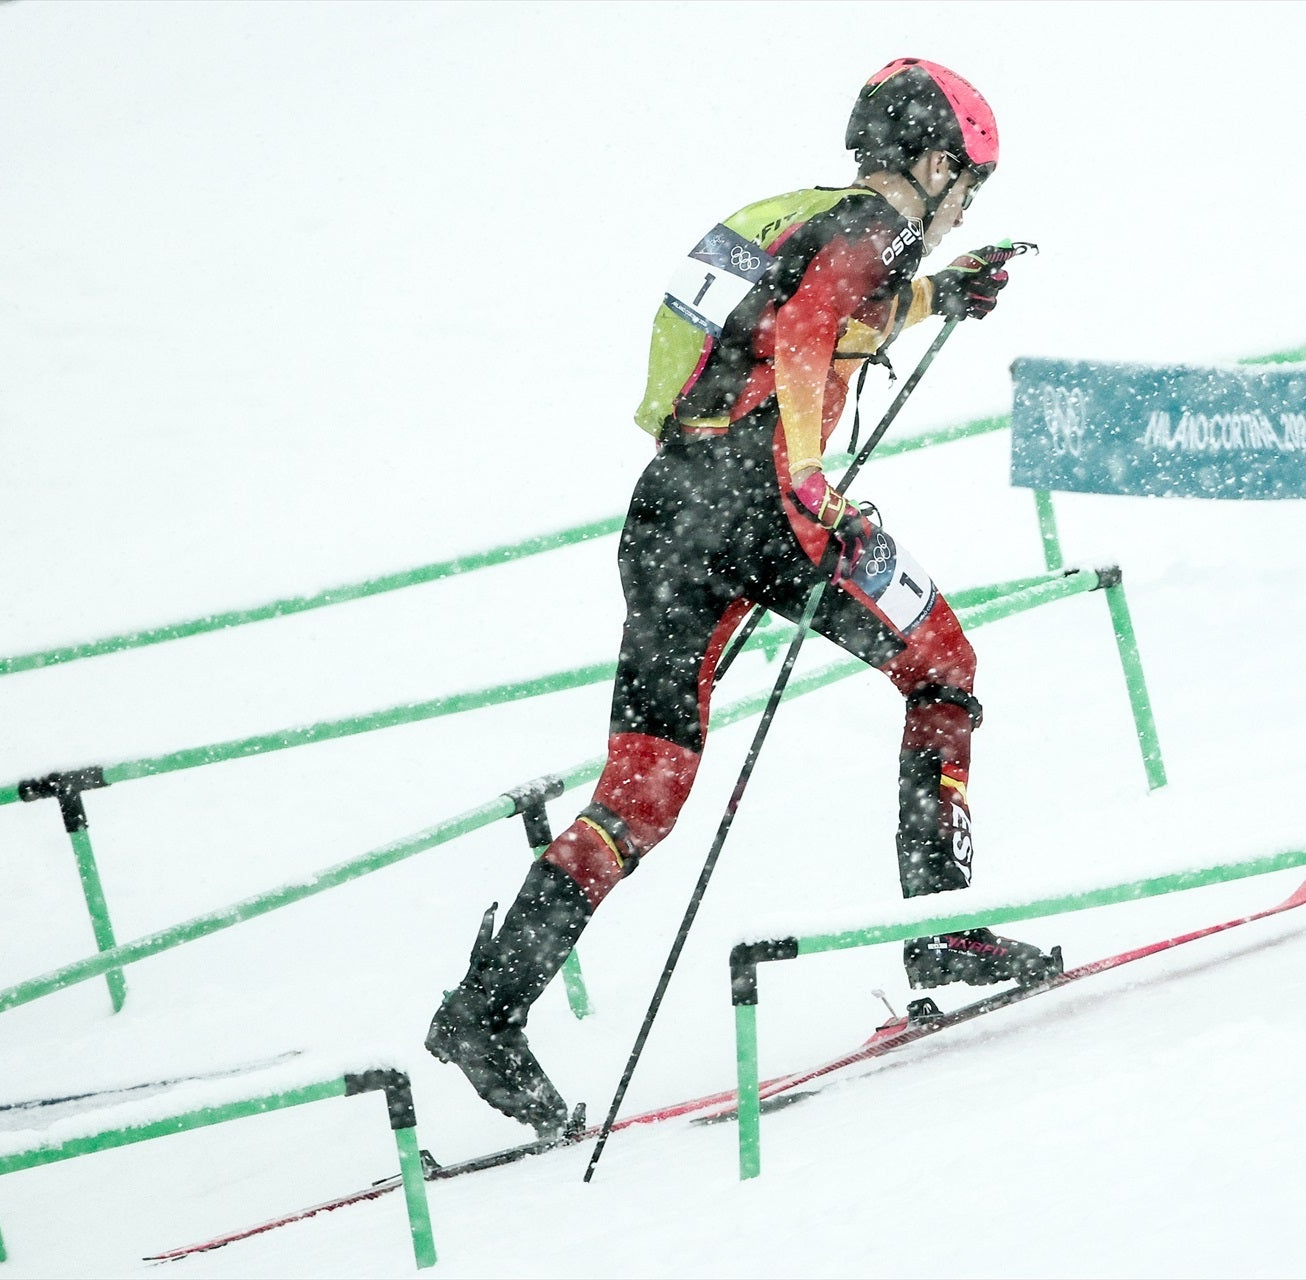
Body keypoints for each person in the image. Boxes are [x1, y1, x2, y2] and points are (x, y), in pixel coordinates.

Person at [425, 57, 1060, 1137]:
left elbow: (814, 306)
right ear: (938, 163)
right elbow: (808, 333)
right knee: (943, 665)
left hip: (673, 507)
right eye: (971, 186)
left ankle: (487, 1010)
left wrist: (941, 299)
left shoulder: (809, 217)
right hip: (768, 498)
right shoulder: (880, 223)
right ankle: (947, 929)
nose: (963, 212)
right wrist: (812, 481)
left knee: (642, 790)